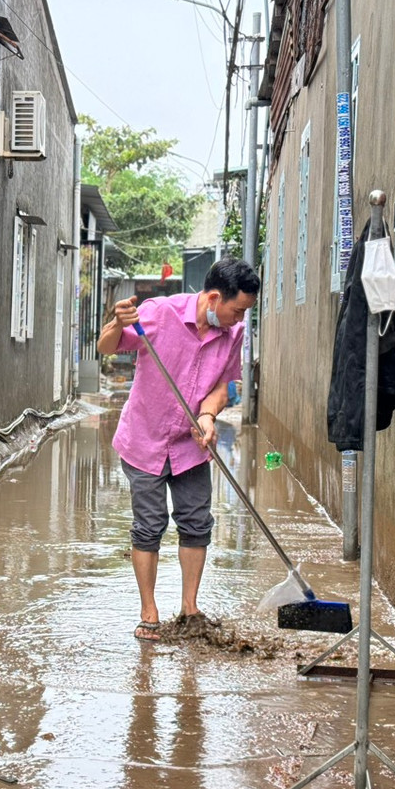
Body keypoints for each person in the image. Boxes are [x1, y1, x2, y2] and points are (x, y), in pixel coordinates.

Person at [96, 258, 260, 641]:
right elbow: (108, 348)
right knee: (149, 526)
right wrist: (116, 323)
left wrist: (207, 415)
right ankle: (148, 610)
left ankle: (190, 608)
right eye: (236, 311)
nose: (239, 320)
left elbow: (224, 385)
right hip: (144, 440)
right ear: (215, 298)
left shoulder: (232, 334)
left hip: (190, 444)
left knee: (196, 522)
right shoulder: (159, 314)